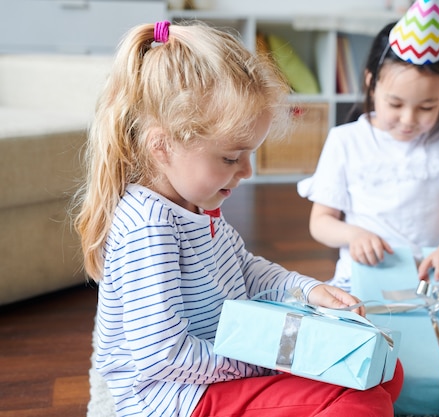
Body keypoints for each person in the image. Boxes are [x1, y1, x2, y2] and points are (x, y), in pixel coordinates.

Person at [73, 20, 402, 417]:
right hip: (177, 397)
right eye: (231, 158)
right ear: (162, 145)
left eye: (250, 155)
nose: (246, 171)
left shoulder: (198, 202)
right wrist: (269, 362)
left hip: (222, 363)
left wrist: (309, 290)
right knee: (360, 401)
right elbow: (165, 356)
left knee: (382, 369)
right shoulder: (148, 227)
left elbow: (243, 270)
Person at [298, 1, 439, 293]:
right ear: (371, 84)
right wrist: (354, 235)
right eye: (395, 104)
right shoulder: (345, 140)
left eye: (428, 106)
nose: (408, 120)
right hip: (369, 271)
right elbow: (321, 222)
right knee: (351, 318)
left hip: (435, 268)